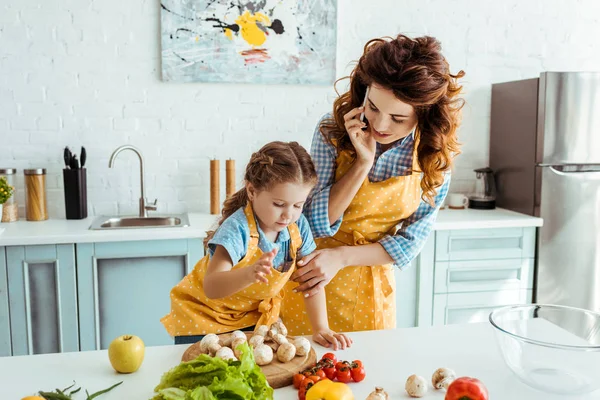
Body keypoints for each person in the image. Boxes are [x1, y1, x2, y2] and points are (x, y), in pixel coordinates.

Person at [280, 34, 465, 335]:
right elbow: (314, 222)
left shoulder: (435, 156)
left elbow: (409, 243)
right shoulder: (332, 130)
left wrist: (342, 257)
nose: (380, 125)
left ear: (424, 113)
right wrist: (362, 163)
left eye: (398, 117)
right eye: (374, 107)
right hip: (311, 277)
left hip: (370, 286)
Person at [161, 141, 352, 349]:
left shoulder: (298, 227)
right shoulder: (237, 229)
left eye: (298, 205)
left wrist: (321, 327)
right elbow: (212, 286)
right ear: (252, 191)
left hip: (249, 319)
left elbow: (311, 280)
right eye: (279, 204)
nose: (289, 215)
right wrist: (249, 274)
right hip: (202, 319)